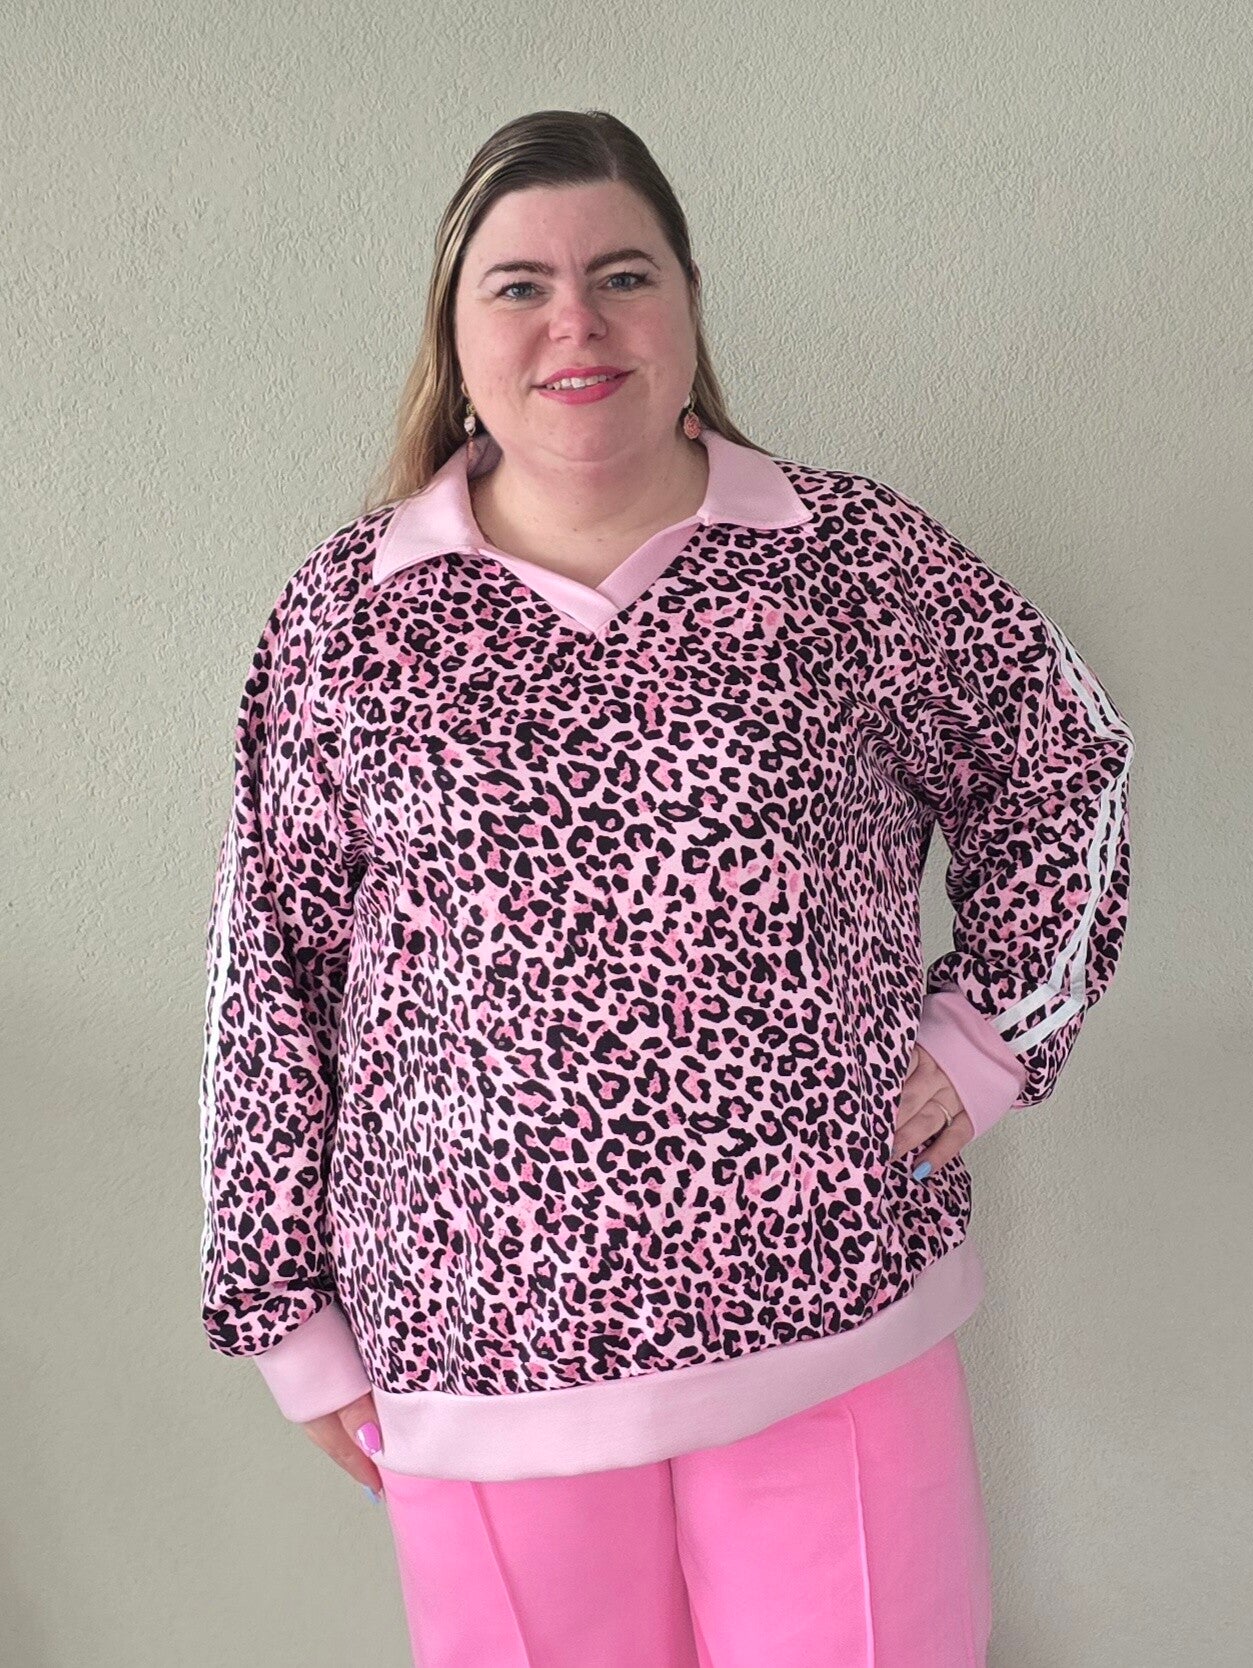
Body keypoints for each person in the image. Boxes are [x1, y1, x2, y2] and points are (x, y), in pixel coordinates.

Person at [197, 108, 1135, 1668]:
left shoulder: (849, 562)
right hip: (474, 1343)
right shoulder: (346, 619)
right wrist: (281, 1312)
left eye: (621, 275)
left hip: (835, 1305)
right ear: (454, 336)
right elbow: (269, 968)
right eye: (519, 286)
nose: (575, 320)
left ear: (687, 306)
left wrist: (989, 1040)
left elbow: (1061, 763)